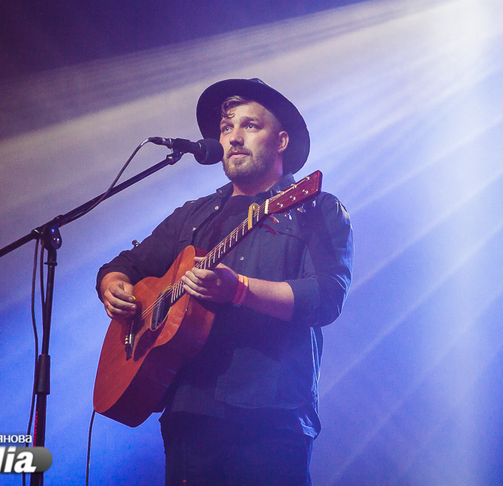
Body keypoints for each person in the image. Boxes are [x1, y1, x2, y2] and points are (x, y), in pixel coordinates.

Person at [97, 78, 354, 485]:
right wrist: (113, 286)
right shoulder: (193, 215)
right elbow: (125, 265)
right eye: (226, 128)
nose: (233, 137)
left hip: (272, 416)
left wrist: (238, 289)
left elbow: (325, 297)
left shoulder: (314, 207)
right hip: (189, 413)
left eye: (250, 125)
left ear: (281, 141)